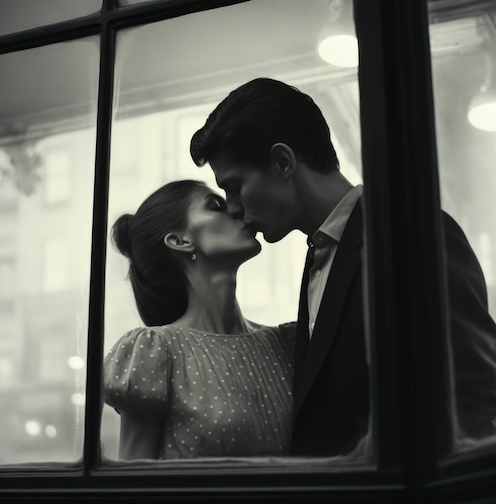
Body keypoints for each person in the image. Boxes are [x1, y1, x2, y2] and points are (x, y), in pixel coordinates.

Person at [190, 77, 496, 456]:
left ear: (283, 162)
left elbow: (473, 396)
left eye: (234, 186)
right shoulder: (319, 257)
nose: (233, 208)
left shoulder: (409, 232)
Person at [103, 180, 295, 460]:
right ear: (180, 241)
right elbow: (132, 487)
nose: (237, 210)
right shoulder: (155, 351)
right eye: (216, 206)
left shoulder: (286, 345)